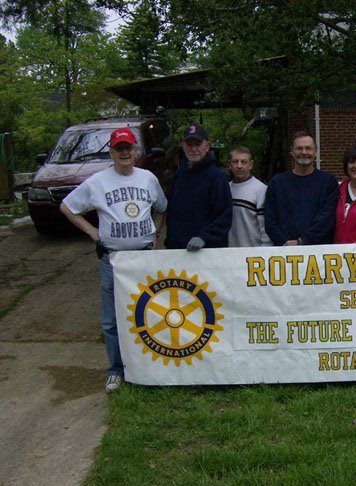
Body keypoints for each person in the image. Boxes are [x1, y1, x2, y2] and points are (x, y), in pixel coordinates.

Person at [59, 128, 167, 394]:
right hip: (113, 260)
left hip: (142, 258)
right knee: (112, 321)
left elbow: (162, 207)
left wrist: (155, 231)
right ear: (112, 152)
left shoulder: (148, 178)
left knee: (149, 313)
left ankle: (150, 366)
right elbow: (67, 206)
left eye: (128, 147)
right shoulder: (98, 182)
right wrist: (92, 231)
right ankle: (115, 371)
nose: (124, 152)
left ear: (135, 150)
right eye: (119, 148)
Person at [164, 123, 232, 250]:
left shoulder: (217, 177)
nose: (193, 149)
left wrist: (204, 237)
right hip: (178, 251)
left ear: (207, 146)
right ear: (183, 146)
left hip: (206, 252)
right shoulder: (178, 175)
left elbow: (224, 216)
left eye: (198, 144)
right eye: (189, 144)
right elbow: (173, 214)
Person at [264, 131, 339, 246]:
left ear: (315, 152)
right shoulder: (277, 183)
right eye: (299, 148)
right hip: (284, 253)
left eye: (308, 148)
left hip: (320, 253)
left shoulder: (328, 182)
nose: (304, 152)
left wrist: (302, 241)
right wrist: (284, 242)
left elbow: (327, 218)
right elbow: (270, 220)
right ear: (292, 152)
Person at [228, 146, 272, 247]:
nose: (239, 166)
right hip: (229, 253)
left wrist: (264, 251)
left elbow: (266, 228)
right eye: (235, 161)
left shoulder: (261, 190)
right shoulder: (226, 189)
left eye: (244, 162)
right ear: (229, 164)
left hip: (253, 254)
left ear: (251, 164)